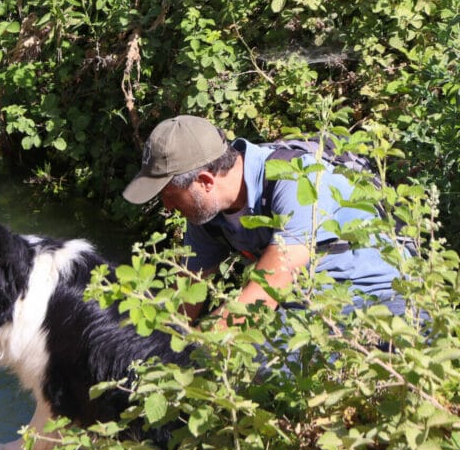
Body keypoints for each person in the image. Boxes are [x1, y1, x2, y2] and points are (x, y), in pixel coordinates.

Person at [122, 115, 407, 327]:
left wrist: (194, 352)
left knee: (241, 362)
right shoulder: (206, 216)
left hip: (386, 301)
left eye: (170, 197)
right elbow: (185, 296)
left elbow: (265, 291)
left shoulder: (293, 178)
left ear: (205, 181)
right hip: (308, 309)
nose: (168, 209)